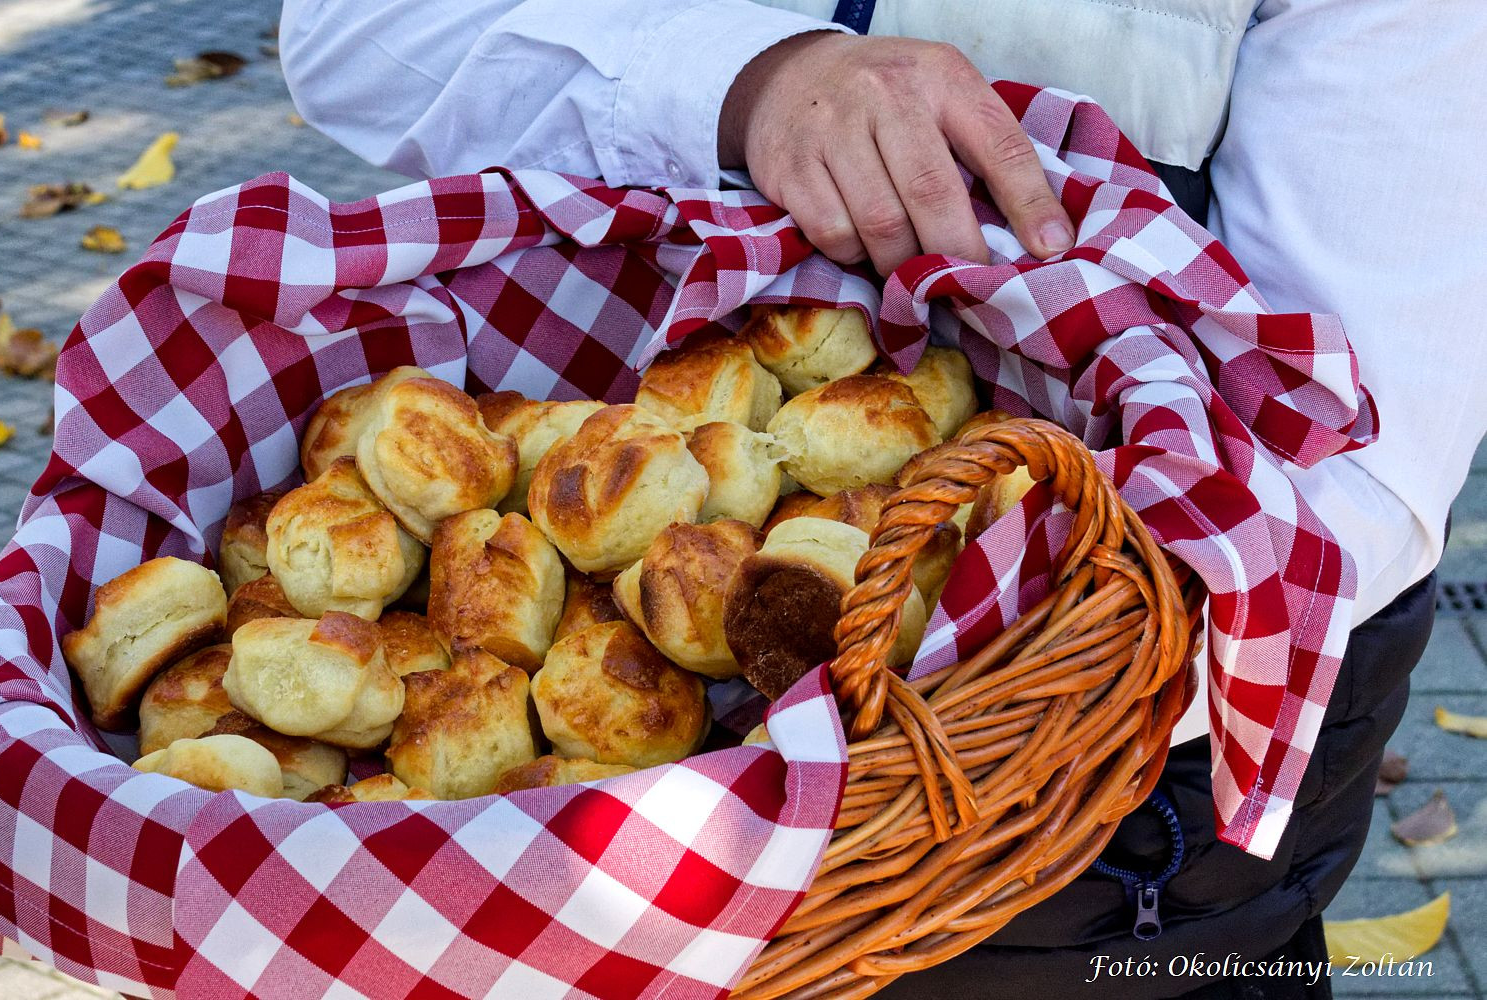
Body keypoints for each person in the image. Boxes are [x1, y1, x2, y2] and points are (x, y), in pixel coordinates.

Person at [277, 1, 1487, 995]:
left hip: (1082, 842)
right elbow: (355, 30)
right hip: (558, 863)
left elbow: (1364, 437)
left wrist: (1015, 699)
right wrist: (751, 81)